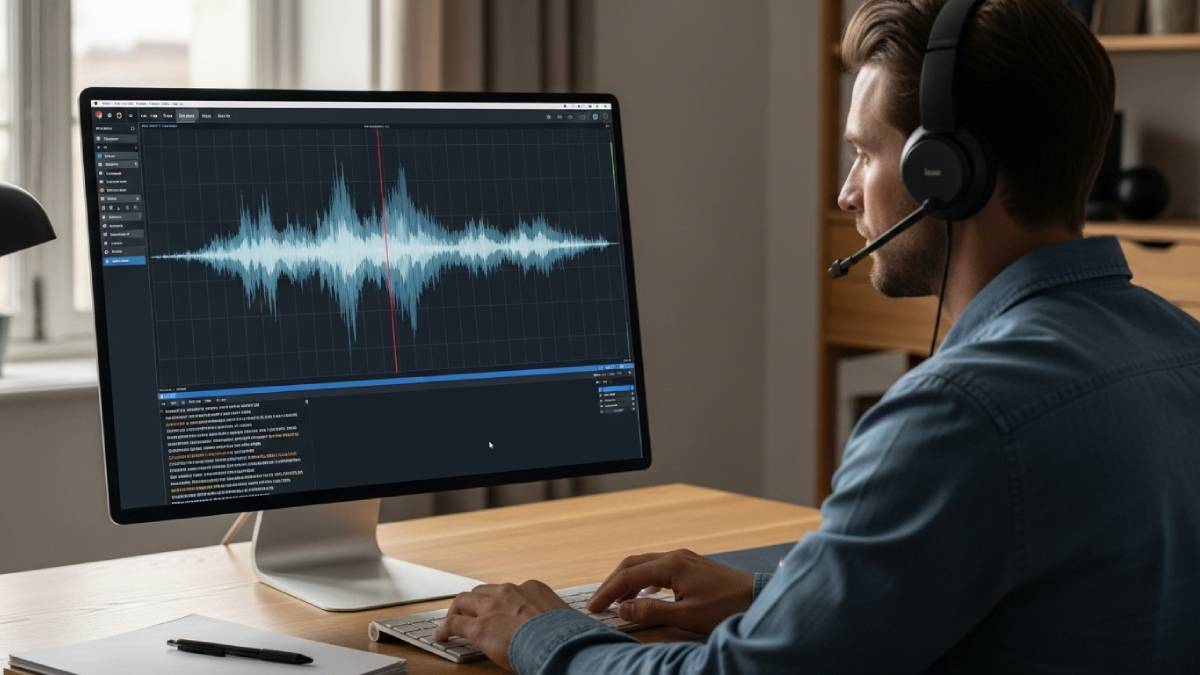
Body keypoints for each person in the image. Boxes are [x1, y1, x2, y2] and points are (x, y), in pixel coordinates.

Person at [432, 0, 1200, 672]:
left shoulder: (960, 413)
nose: (845, 190)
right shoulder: (1179, 349)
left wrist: (541, 633)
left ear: (948, 172)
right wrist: (775, 600)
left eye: (865, 152)